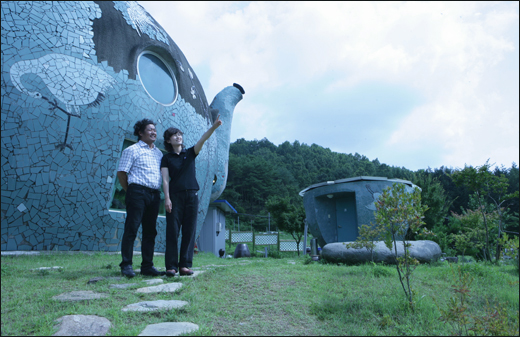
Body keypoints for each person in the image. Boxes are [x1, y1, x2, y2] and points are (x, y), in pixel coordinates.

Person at [161, 114, 222, 276]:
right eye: (174, 135)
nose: (178, 136)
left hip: (192, 196)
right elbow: (165, 180)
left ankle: (185, 265)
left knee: (189, 231)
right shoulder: (166, 158)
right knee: (172, 231)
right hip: (175, 197)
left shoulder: (190, 153)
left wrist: (214, 127)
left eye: (179, 134)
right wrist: (166, 198)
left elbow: (202, 139)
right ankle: (171, 266)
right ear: (168, 140)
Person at [117, 119, 165, 278]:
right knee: (131, 228)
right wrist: (130, 191)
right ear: (140, 132)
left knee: (150, 231)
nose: (154, 132)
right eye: (150, 130)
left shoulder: (158, 153)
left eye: (155, 130)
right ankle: (126, 265)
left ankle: (147, 266)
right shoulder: (132, 150)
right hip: (137, 192)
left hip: (154, 194)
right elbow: (122, 173)